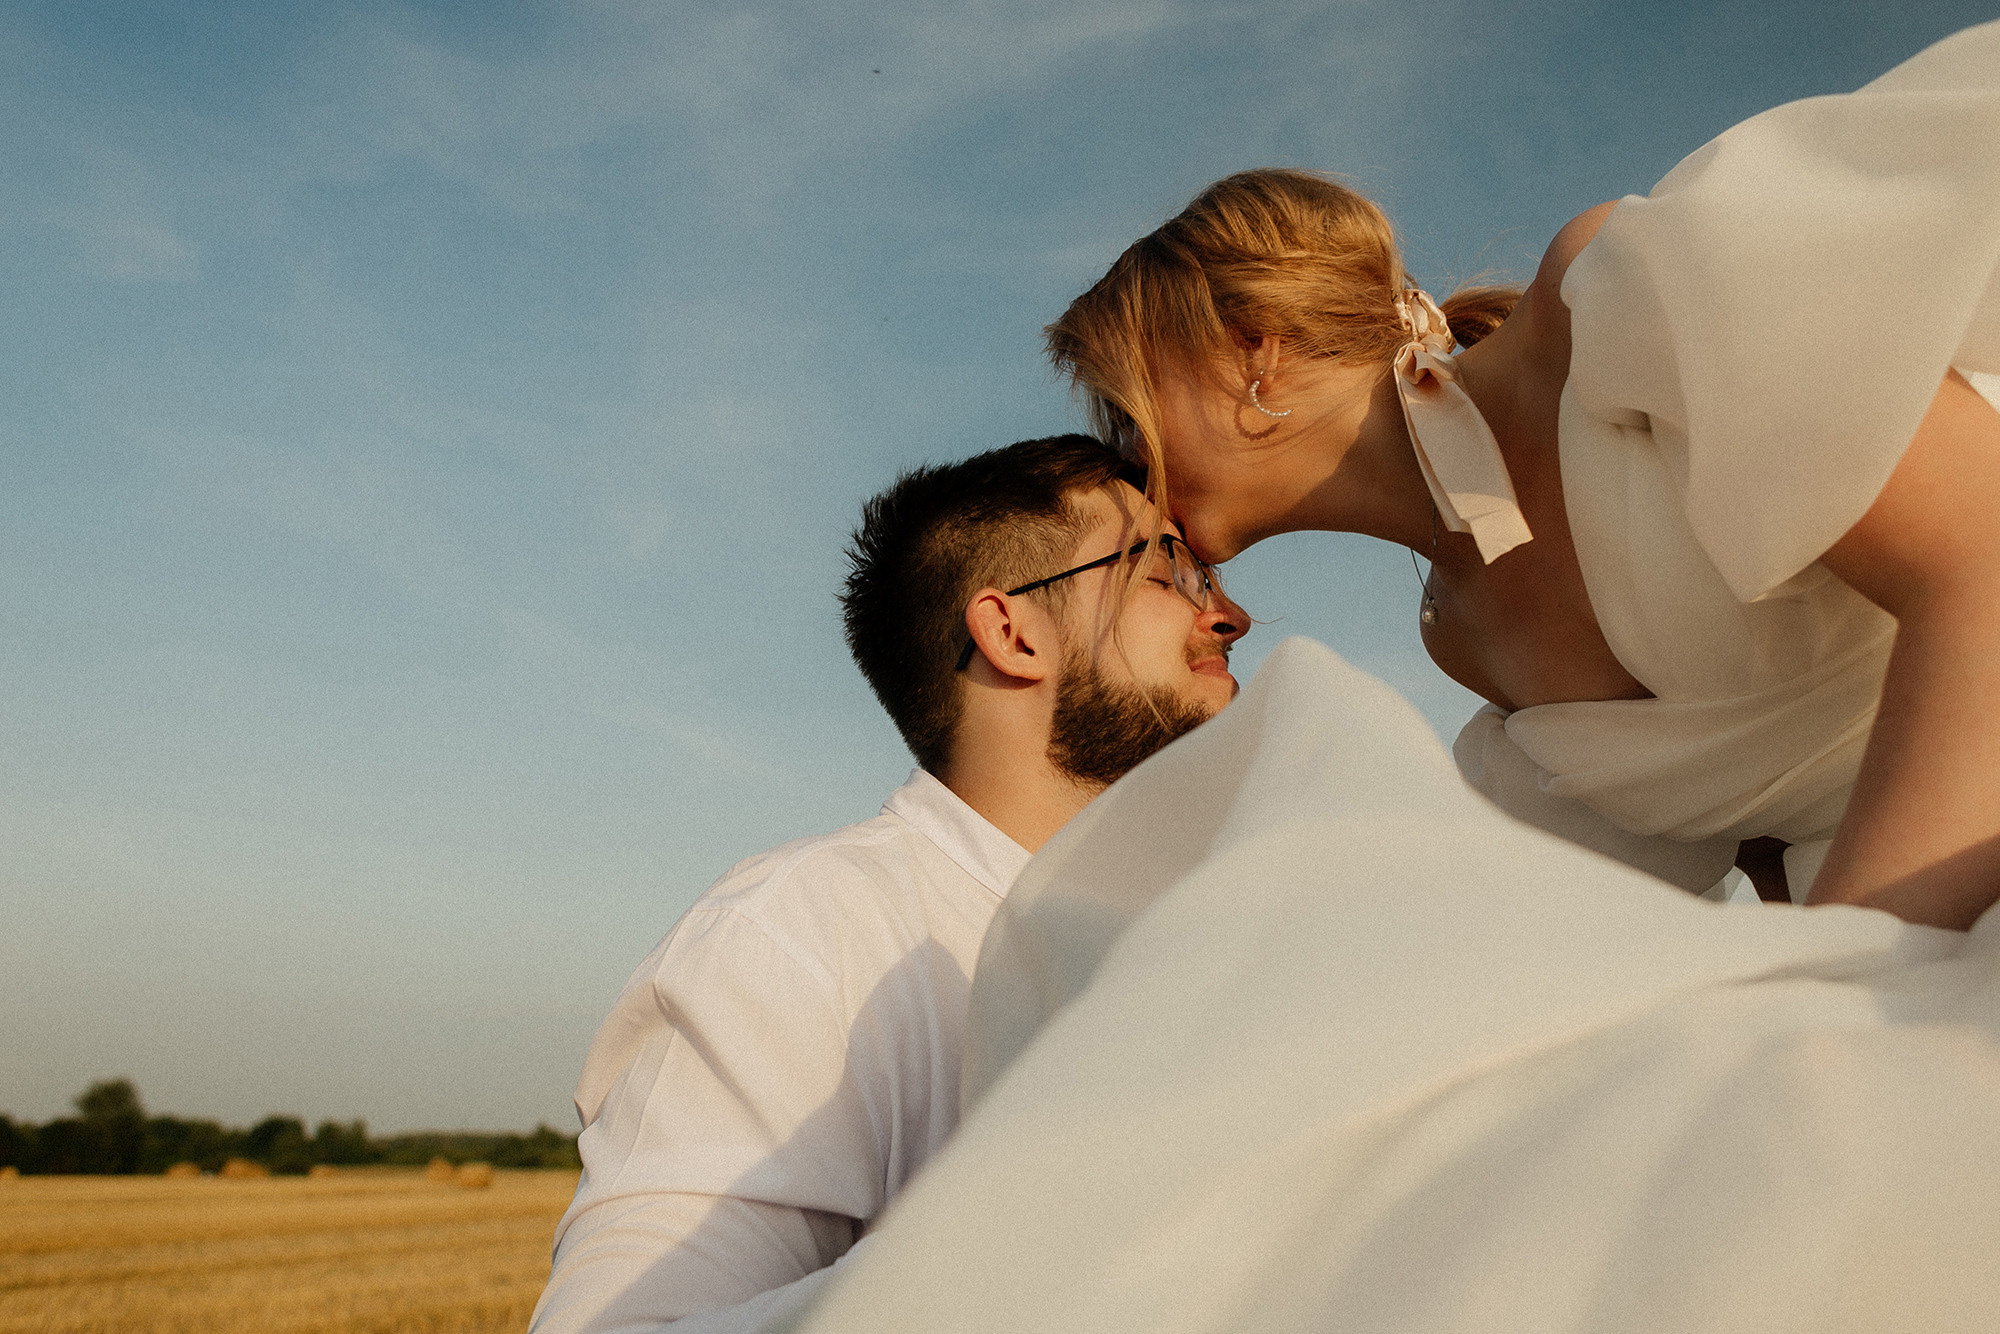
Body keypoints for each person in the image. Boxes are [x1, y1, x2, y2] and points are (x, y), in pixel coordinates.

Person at [1042, 20, 2000, 929]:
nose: (1127, 462)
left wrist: (1837, 1010)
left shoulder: (1616, 301)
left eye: (1128, 409)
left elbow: (1986, 574)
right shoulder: (1459, 642)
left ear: (1256, 348)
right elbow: (1762, 844)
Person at [528, 434, 1247, 1334]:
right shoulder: (800, 937)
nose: (1229, 616)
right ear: (1013, 632)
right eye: (1164, 568)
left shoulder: (1206, 934)